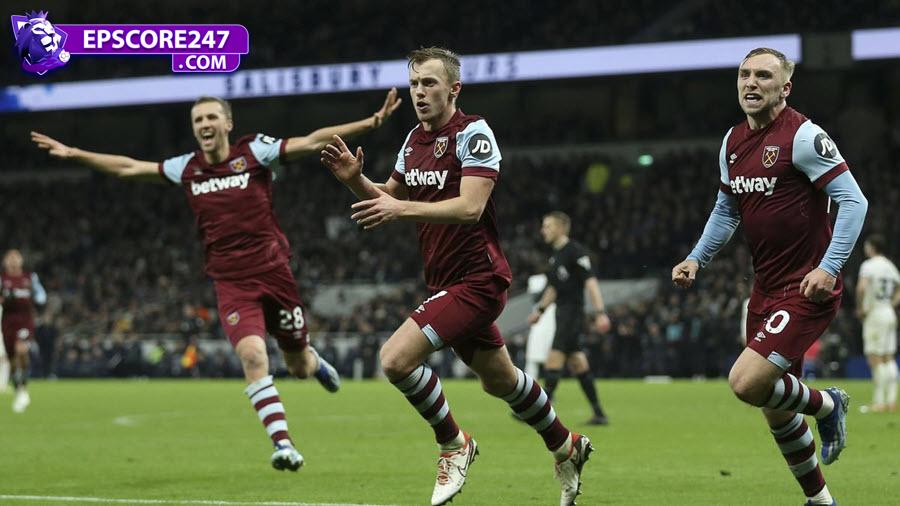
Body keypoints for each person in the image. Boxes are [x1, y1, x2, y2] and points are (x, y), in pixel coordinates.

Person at [31, 89, 401, 470]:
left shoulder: (254, 152)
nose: (204, 124)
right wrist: (74, 153)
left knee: (299, 366)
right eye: (198, 120)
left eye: (211, 117)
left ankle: (313, 361)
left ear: (227, 123)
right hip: (231, 283)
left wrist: (370, 122)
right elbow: (129, 167)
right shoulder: (187, 168)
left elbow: (311, 141)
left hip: (274, 275)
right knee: (253, 355)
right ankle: (283, 445)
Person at [322, 47, 592, 506]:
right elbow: (387, 199)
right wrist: (353, 180)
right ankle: (566, 445)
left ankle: (453, 444)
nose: (419, 92)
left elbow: (470, 208)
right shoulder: (413, 140)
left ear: (453, 89)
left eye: (429, 83)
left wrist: (400, 207)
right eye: (414, 84)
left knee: (395, 360)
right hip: (445, 281)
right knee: (499, 381)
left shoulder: (474, 133)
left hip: (479, 279)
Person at [672, 47, 867, 506]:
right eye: (745, 74)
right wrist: (697, 257)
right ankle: (821, 501)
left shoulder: (803, 136)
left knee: (747, 383)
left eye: (763, 75)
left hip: (805, 287)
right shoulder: (732, 141)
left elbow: (854, 201)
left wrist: (829, 266)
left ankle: (828, 404)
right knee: (775, 407)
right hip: (765, 289)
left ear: (785, 88)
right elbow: (726, 210)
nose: (751, 82)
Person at [527, 211, 612, 425]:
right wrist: (540, 310)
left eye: (548, 226)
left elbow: (591, 282)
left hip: (573, 313)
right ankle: (599, 413)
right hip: (561, 312)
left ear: (561, 228)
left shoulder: (575, 251)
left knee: (554, 356)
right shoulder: (555, 256)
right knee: (577, 362)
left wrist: (600, 313)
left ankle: (538, 410)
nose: (543, 230)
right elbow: (554, 288)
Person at [855, 234, 899, 412]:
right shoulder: (890, 266)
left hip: (875, 314)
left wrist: (860, 308)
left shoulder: (869, 265)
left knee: (875, 357)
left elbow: (861, 287)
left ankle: (880, 402)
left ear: (871, 247)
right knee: (888, 357)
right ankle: (891, 400)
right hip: (888, 312)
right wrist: (892, 303)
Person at [1, 249, 47, 413]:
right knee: (12, 359)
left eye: (16, 258)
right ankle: (19, 391)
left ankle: (24, 388)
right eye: (10, 258)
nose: (13, 261)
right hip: (8, 322)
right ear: (5, 262)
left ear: (21, 261)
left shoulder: (30, 278)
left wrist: (36, 296)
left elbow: (42, 296)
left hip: (25, 321)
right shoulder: (2, 279)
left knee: (21, 349)